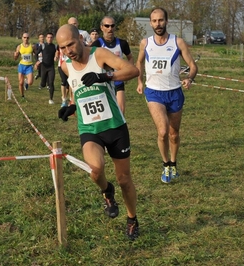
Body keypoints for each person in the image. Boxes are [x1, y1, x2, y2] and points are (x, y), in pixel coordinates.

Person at [56, 24, 140, 241]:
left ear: (81, 40)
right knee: (95, 170)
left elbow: (133, 70)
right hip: (89, 130)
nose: (68, 51)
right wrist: (72, 107)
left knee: (124, 179)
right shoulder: (66, 66)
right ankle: (106, 191)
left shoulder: (99, 54)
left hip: (115, 127)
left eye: (71, 44)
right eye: (63, 47)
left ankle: (132, 219)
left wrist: (105, 77)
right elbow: (79, 92)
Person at [136, 7, 198, 183]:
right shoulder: (145, 43)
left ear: (166, 21)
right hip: (154, 92)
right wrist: (140, 81)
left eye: (161, 20)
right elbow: (139, 62)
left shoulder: (177, 42)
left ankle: (173, 163)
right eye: (155, 21)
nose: (158, 24)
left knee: (174, 133)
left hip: (174, 93)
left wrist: (189, 78)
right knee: (162, 131)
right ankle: (165, 165)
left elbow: (193, 65)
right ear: (150, 23)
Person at [91, 16, 134, 114]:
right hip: (103, 81)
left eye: (112, 26)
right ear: (102, 27)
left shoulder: (122, 43)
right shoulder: (97, 44)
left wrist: (128, 72)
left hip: (118, 80)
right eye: (107, 26)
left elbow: (130, 57)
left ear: (115, 27)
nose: (110, 28)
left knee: (121, 111)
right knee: (105, 112)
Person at [35, 32, 58, 105]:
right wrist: (37, 61)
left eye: (51, 37)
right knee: (43, 83)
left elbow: (58, 52)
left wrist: (56, 56)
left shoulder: (54, 46)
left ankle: (51, 99)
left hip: (51, 67)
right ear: (46, 38)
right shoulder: (43, 46)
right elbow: (36, 53)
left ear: (53, 38)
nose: (49, 39)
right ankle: (41, 84)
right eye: (48, 37)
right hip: (44, 66)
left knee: (51, 83)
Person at [14, 33, 36, 100]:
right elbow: (15, 58)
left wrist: (37, 62)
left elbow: (35, 55)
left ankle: (26, 81)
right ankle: (22, 96)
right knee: (20, 83)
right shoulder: (19, 47)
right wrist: (16, 55)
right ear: (22, 38)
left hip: (29, 66)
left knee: (30, 82)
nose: (26, 39)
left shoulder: (32, 46)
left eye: (27, 38)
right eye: (24, 37)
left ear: (29, 38)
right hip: (22, 66)